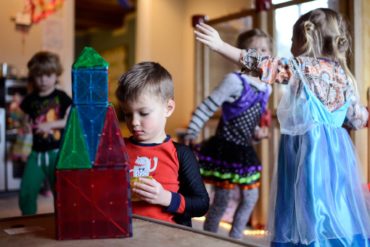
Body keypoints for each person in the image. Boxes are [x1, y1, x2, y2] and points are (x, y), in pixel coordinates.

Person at [194, 8, 370, 246]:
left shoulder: (303, 68)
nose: (289, 44)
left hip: (308, 156)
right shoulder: (343, 75)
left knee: (305, 203)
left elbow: (264, 65)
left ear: (305, 40)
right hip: (337, 158)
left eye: (292, 40)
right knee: (334, 204)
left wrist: (220, 46)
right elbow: (358, 118)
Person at [184, 28, 273, 239]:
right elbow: (208, 106)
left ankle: (235, 238)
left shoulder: (267, 88)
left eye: (264, 49)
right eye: (254, 49)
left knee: (251, 197)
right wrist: (191, 131)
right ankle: (210, 238)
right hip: (224, 148)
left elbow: (249, 125)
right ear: (240, 53)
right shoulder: (234, 80)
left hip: (244, 150)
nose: (260, 54)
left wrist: (257, 134)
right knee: (222, 199)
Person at [115, 61, 209, 226]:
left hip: (167, 236)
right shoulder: (117, 148)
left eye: (143, 113)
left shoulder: (181, 154)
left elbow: (202, 204)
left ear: (168, 108)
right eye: (128, 115)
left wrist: (166, 198)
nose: (134, 122)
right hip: (124, 232)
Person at [19, 51, 72, 215]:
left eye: (48, 75)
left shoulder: (61, 97)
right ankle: (28, 221)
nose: (43, 80)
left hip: (57, 153)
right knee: (26, 191)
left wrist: (51, 124)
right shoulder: (29, 99)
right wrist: (25, 125)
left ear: (56, 75)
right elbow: (25, 119)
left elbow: (69, 122)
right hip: (35, 153)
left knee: (61, 192)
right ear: (33, 76)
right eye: (38, 75)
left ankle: (63, 221)